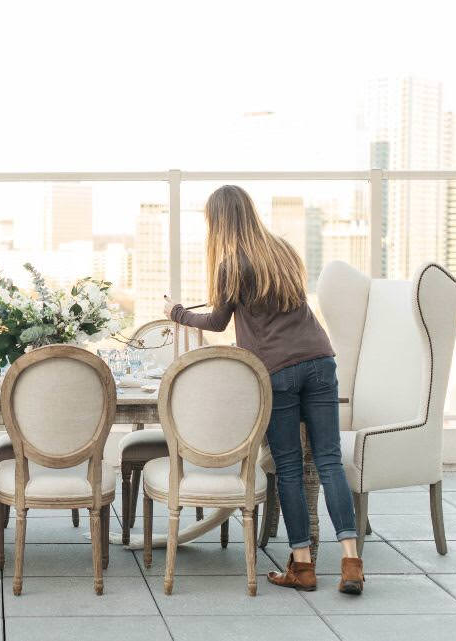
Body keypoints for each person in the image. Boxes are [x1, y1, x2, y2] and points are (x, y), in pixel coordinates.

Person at [163, 185, 364, 595]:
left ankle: (303, 568)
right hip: (321, 360)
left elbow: (218, 324)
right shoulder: (283, 250)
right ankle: (351, 562)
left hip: (278, 372)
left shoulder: (230, 266)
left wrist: (177, 313)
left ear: (217, 221)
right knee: (328, 460)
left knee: (289, 466)